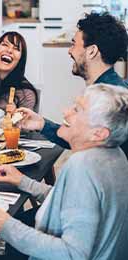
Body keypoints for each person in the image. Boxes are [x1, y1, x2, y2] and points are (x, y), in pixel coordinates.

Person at [0, 84, 128, 259]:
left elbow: (73, 254)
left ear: (98, 134)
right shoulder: (115, 155)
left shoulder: (82, 165)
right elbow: (72, 201)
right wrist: (23, 181)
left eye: (77, 110)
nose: (66, 112)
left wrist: (3, 225)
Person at [17, 12, 128, 157]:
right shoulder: (107, 89)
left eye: (74, 44)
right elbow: (79, 138)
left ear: (92, 51)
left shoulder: (107, 102)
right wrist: (41, 123)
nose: (70, 50)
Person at [0, 31, 38, 112]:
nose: (9, 51)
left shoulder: (26, 94)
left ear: (20, 59)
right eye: (5, 45)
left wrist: (14, 116)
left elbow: (26, 123)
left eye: (16, 49)